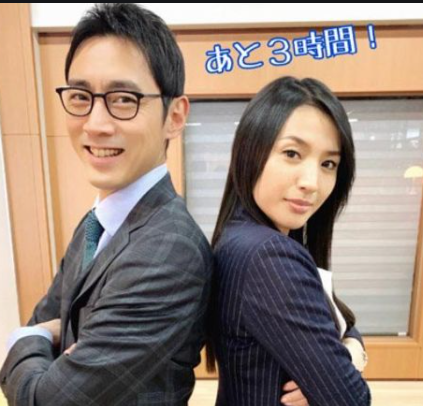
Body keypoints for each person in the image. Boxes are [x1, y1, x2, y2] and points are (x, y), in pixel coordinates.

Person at [0, 4, 213, 405]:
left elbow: (42, 399)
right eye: (81, 96)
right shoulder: (96, 222)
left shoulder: (169, 248)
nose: (96, 124)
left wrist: (27, 338)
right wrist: (43, 333)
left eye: (124, 99)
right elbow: (44, 318)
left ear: (174, 116)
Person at [206, 76, 371, 405]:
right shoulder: (269, 256)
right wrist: (347, 363)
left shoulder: (240, 237)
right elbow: (351, 398)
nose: (312, 182)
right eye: (292, 153)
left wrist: (352, 351)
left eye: (328, 164)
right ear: (249, 152)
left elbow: (340, 322)